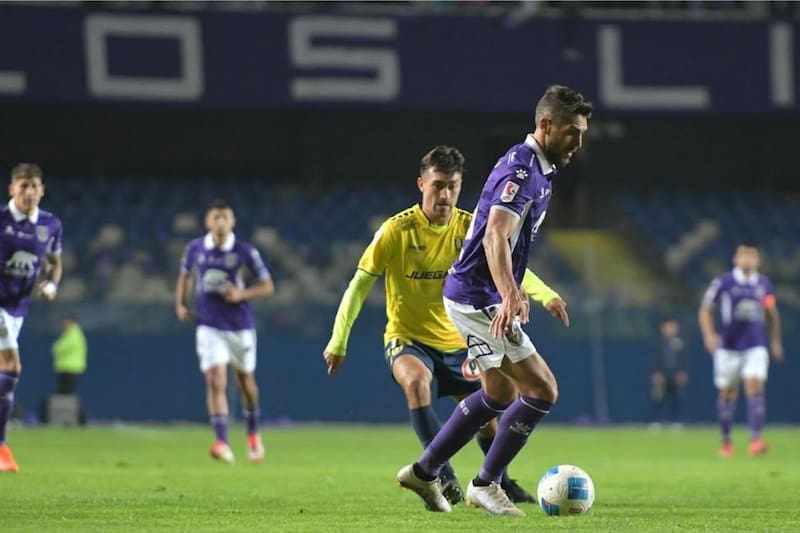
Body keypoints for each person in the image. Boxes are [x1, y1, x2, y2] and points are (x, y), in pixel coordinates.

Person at [323, 146, 567, 504]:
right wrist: (338, 340)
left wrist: (545, 294)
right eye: (438, 185)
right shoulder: (396, 231)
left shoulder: (468, 226)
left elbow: (506, 261)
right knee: (416, 383)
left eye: (452, 186)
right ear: (421, 184)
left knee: (491, 406)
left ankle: (500, 480)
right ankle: (444, 478)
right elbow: (359, 286)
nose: (445, 195)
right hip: (408, 338)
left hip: (457, 338)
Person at [396, 85, 591, 516]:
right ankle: (486, 483)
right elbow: (494, 235)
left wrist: (523, 289)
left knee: (498, 392)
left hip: (471, 293)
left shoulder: (537, 170)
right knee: (542, 389)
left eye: (581, 134)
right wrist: (508, 294)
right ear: (546, 125)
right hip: (477, 296)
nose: (578, 142)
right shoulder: (521, 172)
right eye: (572, 133)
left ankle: (425, 471)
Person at [175, 200, 275, 464]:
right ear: (208, 221)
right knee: (215, 379)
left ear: (232, 222)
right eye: (216, 217)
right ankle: (222, 442)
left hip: (240, 326)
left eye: (225, 217)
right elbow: (185, 275)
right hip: (209, 324)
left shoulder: (244, 251)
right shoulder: (195, 248)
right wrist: (180, 304)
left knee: (246, 383)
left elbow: (267, 286)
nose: (220, 221)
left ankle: (253, 433)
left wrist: (241, 294)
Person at [0, 163, 63, 473]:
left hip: (18, 309)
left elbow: (55, 262)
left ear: (42, 190)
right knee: (12, 366)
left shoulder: (50, 225)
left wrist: (52, 284)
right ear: (12, 189)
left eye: (33, 186)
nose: (28, 192)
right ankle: (1, 448)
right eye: (22, 186)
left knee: (5, 375)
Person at [699, 242, 783, 458]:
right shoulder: (723, 282)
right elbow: (706, 309)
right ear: (736, 259)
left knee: (755, 384)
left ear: (758, 260)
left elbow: (771, 312)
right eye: (743, 255)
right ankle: (726, 442)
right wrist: (709, 334)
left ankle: (756, 440)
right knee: (727, 392)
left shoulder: (763, 284)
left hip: (755, 345)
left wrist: (775, 341)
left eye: (751, 256)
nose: (747, 260)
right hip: (728, 347)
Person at [648, 316, 688, 429]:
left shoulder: (680, 342)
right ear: (663, 328)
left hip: (675, 374)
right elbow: (654, 358)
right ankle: (657, 420)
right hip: (662, 374)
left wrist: (682, 372)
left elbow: (684, 359)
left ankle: (676, 421)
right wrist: (656, 372)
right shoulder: (659, 343)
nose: (671, 329)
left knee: (676, 398)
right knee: (659, 398)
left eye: (673, 327)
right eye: (669, 327)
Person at [52, 314, 88, 395]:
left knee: (67, 392)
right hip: (66, 368)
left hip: (71, 368)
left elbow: (59, 347)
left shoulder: (74, 334)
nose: (63, 325)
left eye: (66, 322)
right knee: (63, 391)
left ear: (71, 322)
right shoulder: (69, 334)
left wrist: (56, 348)